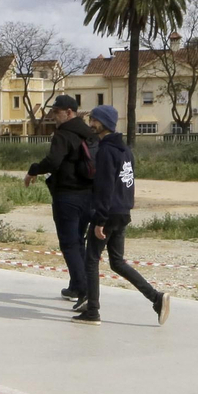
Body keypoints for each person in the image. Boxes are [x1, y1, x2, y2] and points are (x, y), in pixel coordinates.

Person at [73, 104, 169, 326]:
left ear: (103, 123)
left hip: (108, 214)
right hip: (122, 212)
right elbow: (128, 182)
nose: (91, 124)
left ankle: (93, 311)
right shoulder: (125, 150)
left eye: (94, 120)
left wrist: (100, 220)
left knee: (91, 261)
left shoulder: (106, 151)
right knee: (117, 262)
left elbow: (105, 187)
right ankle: (156, 298)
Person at [23, 94, 96, 300]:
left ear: (69, 112)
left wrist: (33, 170)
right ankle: (76, 287)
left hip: (67, 196)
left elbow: (53, 161)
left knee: (69, 244)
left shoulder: (63, 135)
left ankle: (84, 290)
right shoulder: (90, 134)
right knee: (79, 242)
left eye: (57, 112)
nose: (54, 115)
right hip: (89, 195)